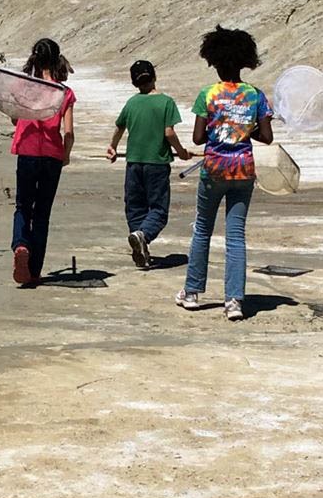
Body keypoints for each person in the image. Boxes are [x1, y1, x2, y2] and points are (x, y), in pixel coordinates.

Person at [176, 25, 273, 320]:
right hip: (243, 171)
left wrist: (221, 128)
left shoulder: (208, 94)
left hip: (214, 170)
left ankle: (192, 293)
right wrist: (247, 129)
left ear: (215, 62)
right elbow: (266, 137)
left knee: (203, 229)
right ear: (244, 61)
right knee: (235, 235)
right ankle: (234, 301)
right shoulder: (256, 95)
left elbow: (197, 138)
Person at [107, 60, 192, 268]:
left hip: (133, 162)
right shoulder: (166, 102)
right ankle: (143, 235)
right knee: (158, 209)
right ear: (154, 76)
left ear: (134, 82)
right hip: (157, 163)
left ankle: (140, 244)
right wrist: (181, 152)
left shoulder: (132, 103)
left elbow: (119, 127)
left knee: (135, 207)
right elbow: (169, 133)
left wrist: (112, 147)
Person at [11, 38, 75, 285]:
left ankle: (20, 245)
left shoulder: (26, 89)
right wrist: (66, 155)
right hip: (51, 156)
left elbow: (16, 120)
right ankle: (34, 271)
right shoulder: (64, 93)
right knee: (42, 213)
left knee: (22, 207)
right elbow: (68, 132)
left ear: (34, 59)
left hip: (27, 153)